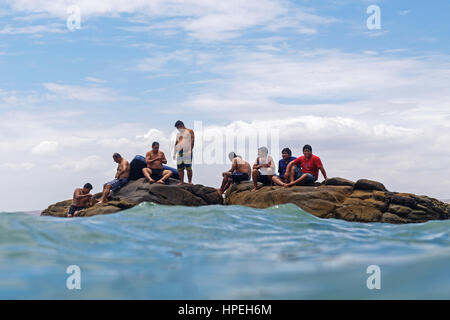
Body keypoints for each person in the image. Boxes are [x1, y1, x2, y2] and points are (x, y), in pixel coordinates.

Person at [173, 120, 195, 185]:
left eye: (178, 127)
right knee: (180, 168)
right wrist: (174, 152)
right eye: (177, 128)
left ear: (182, 125)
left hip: (187, 150)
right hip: (180, 151)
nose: (178, 129)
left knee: (188, 167)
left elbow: (192, 140)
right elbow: (176, 143)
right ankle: (181, 181)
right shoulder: (179, 134)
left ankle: (189, 181)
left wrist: (190, 150)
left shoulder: (189, 131)